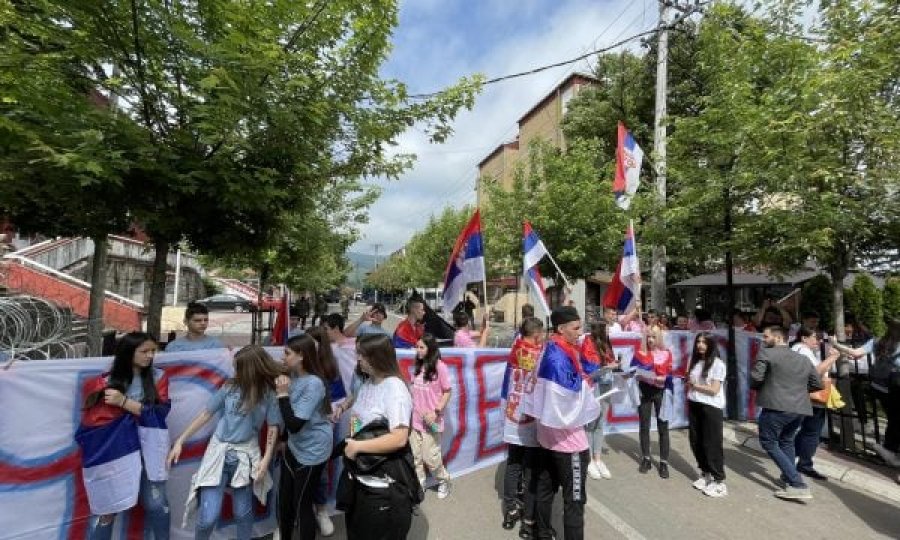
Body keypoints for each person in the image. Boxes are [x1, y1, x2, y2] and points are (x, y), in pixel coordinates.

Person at [169, 345, 281, 539]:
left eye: (238, 367)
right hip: (218, 453)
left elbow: (273, 427)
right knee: (208, 516)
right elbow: (206, 413)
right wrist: (181, 440)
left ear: (250, 369)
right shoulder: (229, 387)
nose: (235, 371)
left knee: (242, 512)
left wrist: (266, 459)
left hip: (245, 454)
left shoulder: (269, 394)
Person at [77, 332, 171, 540]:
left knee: (156, 503)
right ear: (128, 353)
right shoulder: (101, 383)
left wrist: (124, 402)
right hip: (115, 452)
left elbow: (160, 413)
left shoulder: (159, 377)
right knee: (106, 509)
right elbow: (92, 426)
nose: (150, 356)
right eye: (144, 351)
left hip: (150, 448)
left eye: (152, 351)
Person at [522, 306, 601, 540]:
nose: (581, 333)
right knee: (574, 501)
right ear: (560, 329)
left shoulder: (551, 349)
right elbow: (568, 399)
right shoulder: (557, 356)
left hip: (548, 439)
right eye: (576, 328)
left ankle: (543, 533)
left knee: (545, 490)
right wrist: (588, 384)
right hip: (570, 445)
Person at [341, 334, 417, 539]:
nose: (358, 359)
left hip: (382, 486)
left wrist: (358, 447)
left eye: (362, 355)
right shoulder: (367, 384)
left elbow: (399, 437)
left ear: (376, 357)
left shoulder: (394, 388)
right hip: (360, 479)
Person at [750, 325, 823, 501]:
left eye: (766, 337)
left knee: (768, 442)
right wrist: (797, 391)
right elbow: (817, 384)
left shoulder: (766, 354)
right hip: (800, 408)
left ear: (778, 338)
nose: (763, 340)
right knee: (786, 441)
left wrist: (767, 388)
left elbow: (755, 379)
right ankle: (788, 477)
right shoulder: (803, 359)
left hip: (776, 407)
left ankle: (797, 483)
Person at [274, 334, 335, 540]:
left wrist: (282, 395)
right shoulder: (294, 377)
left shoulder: (313, 383)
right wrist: (283, 440)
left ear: (301, 356)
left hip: (312, 450)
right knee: (285, 502)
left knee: (301, 504)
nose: (283, 357)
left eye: (287, 353)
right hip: (294, 446)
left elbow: (295, 424)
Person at [501, 318, 544, 538]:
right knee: (530, 469)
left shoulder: (515, 348)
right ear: (536, 334)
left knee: (513, 464)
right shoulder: (538, 354)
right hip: (529, 418)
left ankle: (510, 510)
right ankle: (528, 519)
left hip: (513, 414)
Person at [309, 321, 349, 536]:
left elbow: (341, 398)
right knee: (293, 474)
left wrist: (335, 412)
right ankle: (290, 515)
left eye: (312, 344)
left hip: (323, 428)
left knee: (321, 472)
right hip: (298, 432)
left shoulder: (330, 367)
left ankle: (321, 510)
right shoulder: (293, 366)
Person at [791, 327, 840, 480]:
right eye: (814, 337)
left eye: (819, 338)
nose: (818, 341)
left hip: (803, 394)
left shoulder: (802, 350)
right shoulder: (802, 349)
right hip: (809, 395)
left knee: (807, 429)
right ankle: (804, 464)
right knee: (812, 431)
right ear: (804, 338)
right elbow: (817, 371)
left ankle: (794, 456)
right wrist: (833, 358)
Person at [410, 334, 453, 498]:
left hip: (433, 422)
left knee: (431, 457)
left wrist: (435, 412)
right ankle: (420, 482)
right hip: (415, 421)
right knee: (416, 456)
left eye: (421, 347)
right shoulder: (417, 366)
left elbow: (448, 391)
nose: (418, 350)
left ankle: (444, 480)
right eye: (417, 347)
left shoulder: (440, 366)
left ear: (431, 349)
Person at [686, 333, 728, 497]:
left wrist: (695, 386)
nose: (700, 345)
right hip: (695, 403)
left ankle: (719, 481)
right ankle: (705, 473)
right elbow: (690, 381)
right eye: (698, 342)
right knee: (696, 441)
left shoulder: (718, 364)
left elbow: (714, 390)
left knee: (712, 443)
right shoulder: (695, 362)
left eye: (704, 342)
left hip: (711, 407)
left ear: (711, 345)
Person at [635, 326, 674, 478]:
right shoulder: (640, 353)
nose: (650, 340)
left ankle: (663, 463)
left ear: (659, 338)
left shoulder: (666, 353)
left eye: (653, 337)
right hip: (644, 391)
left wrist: (661, 379)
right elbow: (633, 370)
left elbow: (670, 375)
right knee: (644, 425)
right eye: (648, 337)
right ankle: (646, 458)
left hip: (661, 392)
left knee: (663, 427)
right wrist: (635, 374)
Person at [584, 321, 619, 481]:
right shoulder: (588, 342)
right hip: (595, 385)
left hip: (608, 383)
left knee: (600, 423)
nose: (608, 331)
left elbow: (609, 361)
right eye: (606, 329)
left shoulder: (606, 343)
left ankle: (598, 458)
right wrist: (607, 366)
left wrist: (617, 366)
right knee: (591, 423)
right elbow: (590, 369)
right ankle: (589, 459)